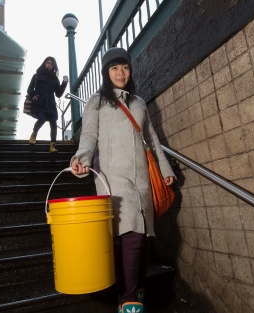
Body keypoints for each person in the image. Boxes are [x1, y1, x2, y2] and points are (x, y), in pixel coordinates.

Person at [70, 47, 176, 313]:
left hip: (141, 177)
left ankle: (136, 289)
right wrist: (81, 158)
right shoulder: (97, 100)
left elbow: (151, 139)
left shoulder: (139, 102)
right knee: (130, 234)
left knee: (145, 236)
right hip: (112, 177)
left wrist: (165, 169)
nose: (120, 72)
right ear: (107, 72)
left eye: (125, 67)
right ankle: (127, 299)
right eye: (115, 68)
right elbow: (89, 136)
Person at [27, 56, 68, 152]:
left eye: (51, 64)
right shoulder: (36, 75)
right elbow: (30, 88)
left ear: (54, 66)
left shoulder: (55, 79)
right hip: (39, 102)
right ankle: (34, 134)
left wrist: (64, 84)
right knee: (42, 118)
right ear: (44, 63)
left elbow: (58, 94)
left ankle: (52, 146)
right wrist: (33, 94)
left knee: (53, 124)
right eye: (48, 63)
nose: (49, 65)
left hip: (51, 105)